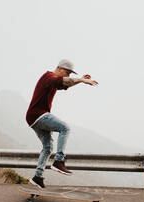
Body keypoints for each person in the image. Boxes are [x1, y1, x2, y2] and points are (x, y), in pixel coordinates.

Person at [26, 59, 99, 188]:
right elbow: (64, 81)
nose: (68, 76)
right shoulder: (48, 77)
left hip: (32, 118)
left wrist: (80, 80)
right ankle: (58, 161)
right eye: (67, 72)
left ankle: (37, 177)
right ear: (59, 68)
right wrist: (81, 80)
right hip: (38, 114)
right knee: (64, 128)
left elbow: (66, 84)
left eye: (70, 74)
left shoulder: (55, 81)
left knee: (48, 148)